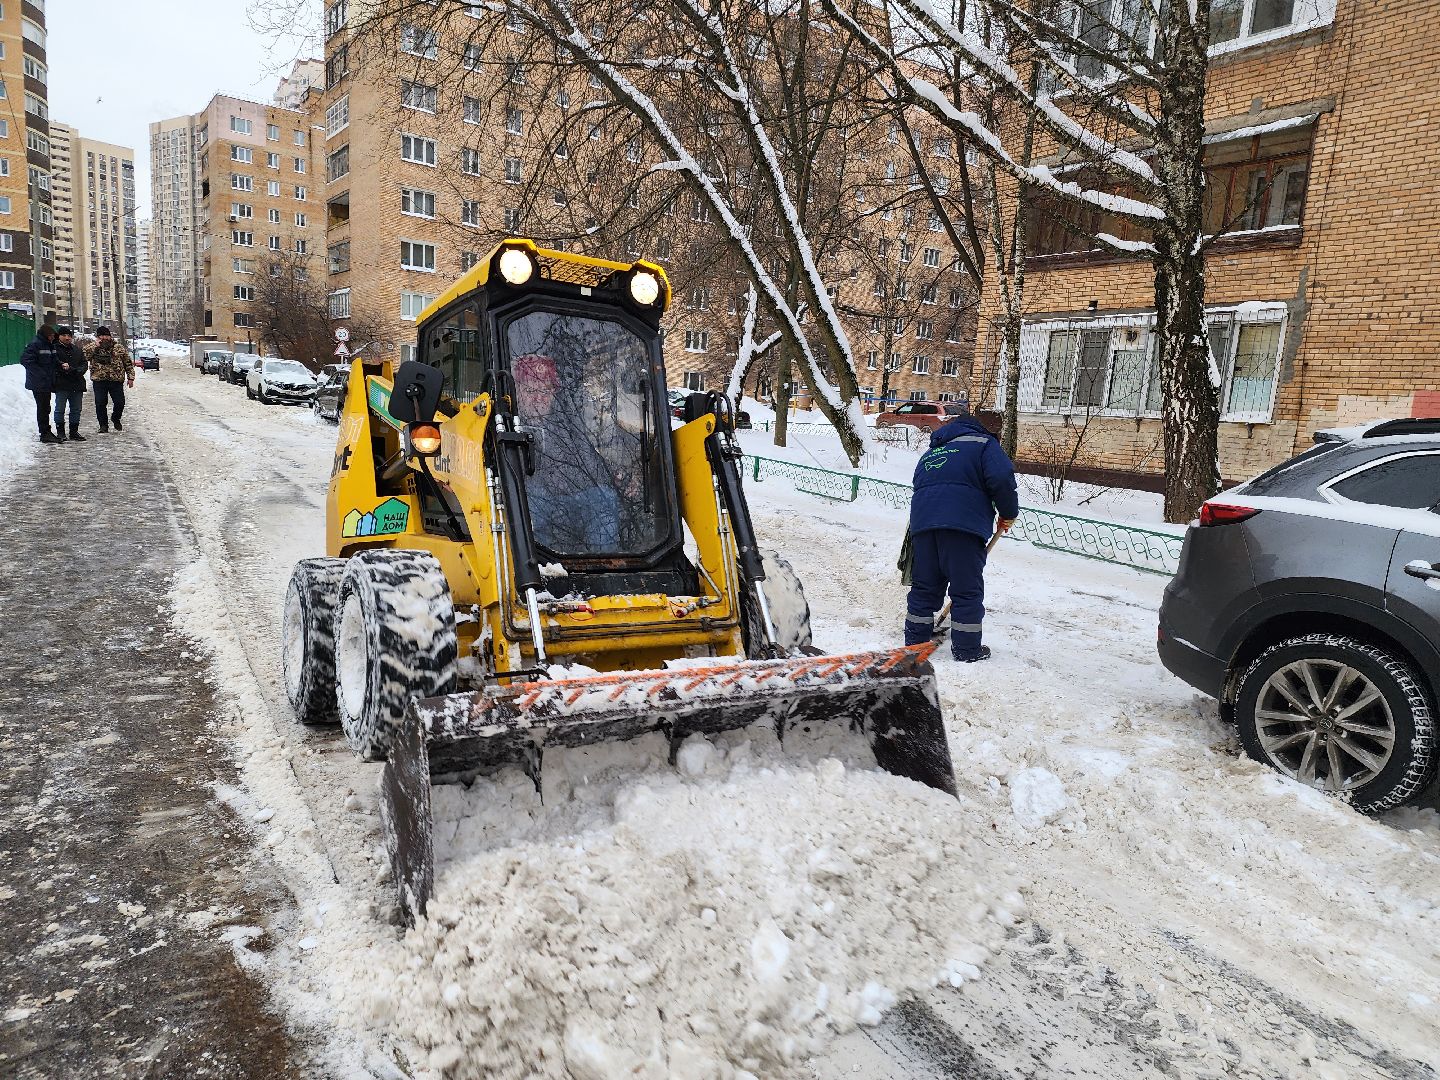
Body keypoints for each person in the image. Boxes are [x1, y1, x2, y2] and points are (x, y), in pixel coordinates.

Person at [904, 409, 1019, 662]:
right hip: (962, 527)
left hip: (923, 526)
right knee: (966, 590)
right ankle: (967, 651)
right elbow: (1001, 477)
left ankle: (914, 645)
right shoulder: (984, 444)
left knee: (924, 587)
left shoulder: (935, 449)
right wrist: (1008, 512)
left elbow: (921, 484)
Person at [85, 326, 134, 433]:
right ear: (98, 337)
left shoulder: (119, 348)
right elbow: (84, 357)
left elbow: (128, 363)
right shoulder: (92, 347)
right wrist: (95, 347)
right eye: (102, 336)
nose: (104, 338)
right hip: (99, 380)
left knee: (120, 402)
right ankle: (103, 425)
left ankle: (116, 418)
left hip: (116, 380)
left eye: (106, 335)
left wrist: (131, 377)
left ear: (110, 336)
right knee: (100, 403)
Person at [19, 325, 60, 443]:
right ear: (46, 335)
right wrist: (41, 374)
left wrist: (60, 364)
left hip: (46, 382)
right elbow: (25, 360)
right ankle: (44, 433)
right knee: (43, 408)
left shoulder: (49, 344)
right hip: (39, 383)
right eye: (51, 336)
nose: (53, 338)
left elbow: (53, 360)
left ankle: (46, 431)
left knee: (46, 407)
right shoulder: (35, 344)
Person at [50, 326, 89, 443]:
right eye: (64, 335)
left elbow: (84, 364)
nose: (67, 338)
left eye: (69, 336)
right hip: (62, 384)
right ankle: (60, 432)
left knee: (76, 409)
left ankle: (74, 431)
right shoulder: (54, 349)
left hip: (77, 384)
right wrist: (66, 369)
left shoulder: (77, 350)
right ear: (59, 336)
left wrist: (75, 371)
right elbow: (55, 365)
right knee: (60, 409)